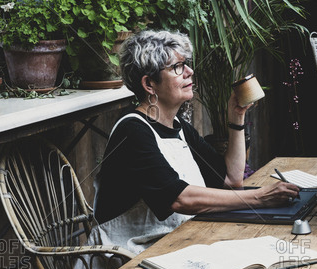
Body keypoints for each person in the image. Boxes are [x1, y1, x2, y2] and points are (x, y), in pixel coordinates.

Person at [89, 30, 299, 254]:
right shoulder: (132, 131)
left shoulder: (179, 127)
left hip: (172, 245)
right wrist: (259, 197)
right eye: (177, 67)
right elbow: (179, 199)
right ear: (149, 84)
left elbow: (231, 178)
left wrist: (236, 118)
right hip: (124, 258)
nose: (189, 71)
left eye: (186, 64)